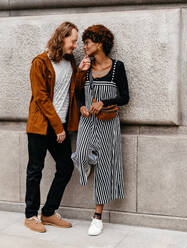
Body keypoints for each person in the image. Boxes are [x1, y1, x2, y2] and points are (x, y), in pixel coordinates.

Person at [24, 21, 91, 233]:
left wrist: (81, 72)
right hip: (41, 126)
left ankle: (49, 212)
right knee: (35, 170)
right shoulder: (40, 62)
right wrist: (58, 128)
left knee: (65, 167)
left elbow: (71, 89)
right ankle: (30, 215)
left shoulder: (70, 61)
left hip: (60, 124)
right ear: (62, 38)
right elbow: (41, 98)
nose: (75, 45)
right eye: (72, 41)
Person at [71, 24, 130, 236]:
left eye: (87, 42)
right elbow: (78, 93)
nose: (84, 46)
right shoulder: (85, 67)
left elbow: (125, 97)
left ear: (100, 43)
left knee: (104, 167)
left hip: (108, 123)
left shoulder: (117, 67)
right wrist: (82, 107)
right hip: (87, 122)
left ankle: (97, 217)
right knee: (82, 154)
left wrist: (103, 102)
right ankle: (88, 162)